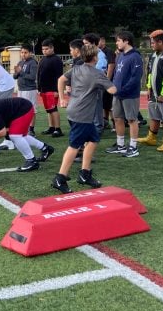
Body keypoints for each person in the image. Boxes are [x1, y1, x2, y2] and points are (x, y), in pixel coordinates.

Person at [51, 43, 117, 194]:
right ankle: (60, 178)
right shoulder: (97, 73)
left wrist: (62, 98)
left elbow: (61, 80)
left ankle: (85, 174)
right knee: (75, 145)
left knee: (93, 139)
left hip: (74, 111)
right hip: (82, 115)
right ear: (95, 58)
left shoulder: (76, 69)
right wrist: (108, 82)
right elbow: (113, 89)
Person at [105, 31, 143, 158]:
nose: (116, 43)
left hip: (129, 94)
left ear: (126, 41)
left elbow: (136, 78)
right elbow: (117, 73)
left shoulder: (135, 56)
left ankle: (133, 147)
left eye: (118, 40)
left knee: (132, 119)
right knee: (117, 118)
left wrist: (123, 90)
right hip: (117, 93)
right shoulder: (120, 55)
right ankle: (120, 145)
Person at [37, 38, 64, 138]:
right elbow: (39, 74)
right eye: (43, 49)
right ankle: (51, 127)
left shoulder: (56, 60)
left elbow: (59, 76)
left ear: (52, 48)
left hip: (52, 89)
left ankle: (58, 129)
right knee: (48, 109)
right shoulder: (43, 59)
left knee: (53, 109)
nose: (44, 51)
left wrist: (56, 90)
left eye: (47, 49)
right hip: (44, 89)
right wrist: (39, 88)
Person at [13, 44, 39, 135]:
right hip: (21, 89)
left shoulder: (33, 63)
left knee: (31, 109)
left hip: (29, 90)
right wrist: (16, 72)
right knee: (22, 110)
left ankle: (31, 130)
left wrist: (21, 72)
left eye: (25, 52)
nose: (23, 54)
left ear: (30, 53)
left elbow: (32, 77)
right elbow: (15, 76)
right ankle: (24, 128)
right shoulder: (20, 62)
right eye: (22, 52)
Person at [98, 36, 116, 131]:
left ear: (103, 41)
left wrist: (107, 80)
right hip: (102, 81)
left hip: (109, 81)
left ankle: (115, 124)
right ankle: (105, 122)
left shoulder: (108, 51)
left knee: (110, 104)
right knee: (105, 104)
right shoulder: (97, 52)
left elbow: (111, 64)